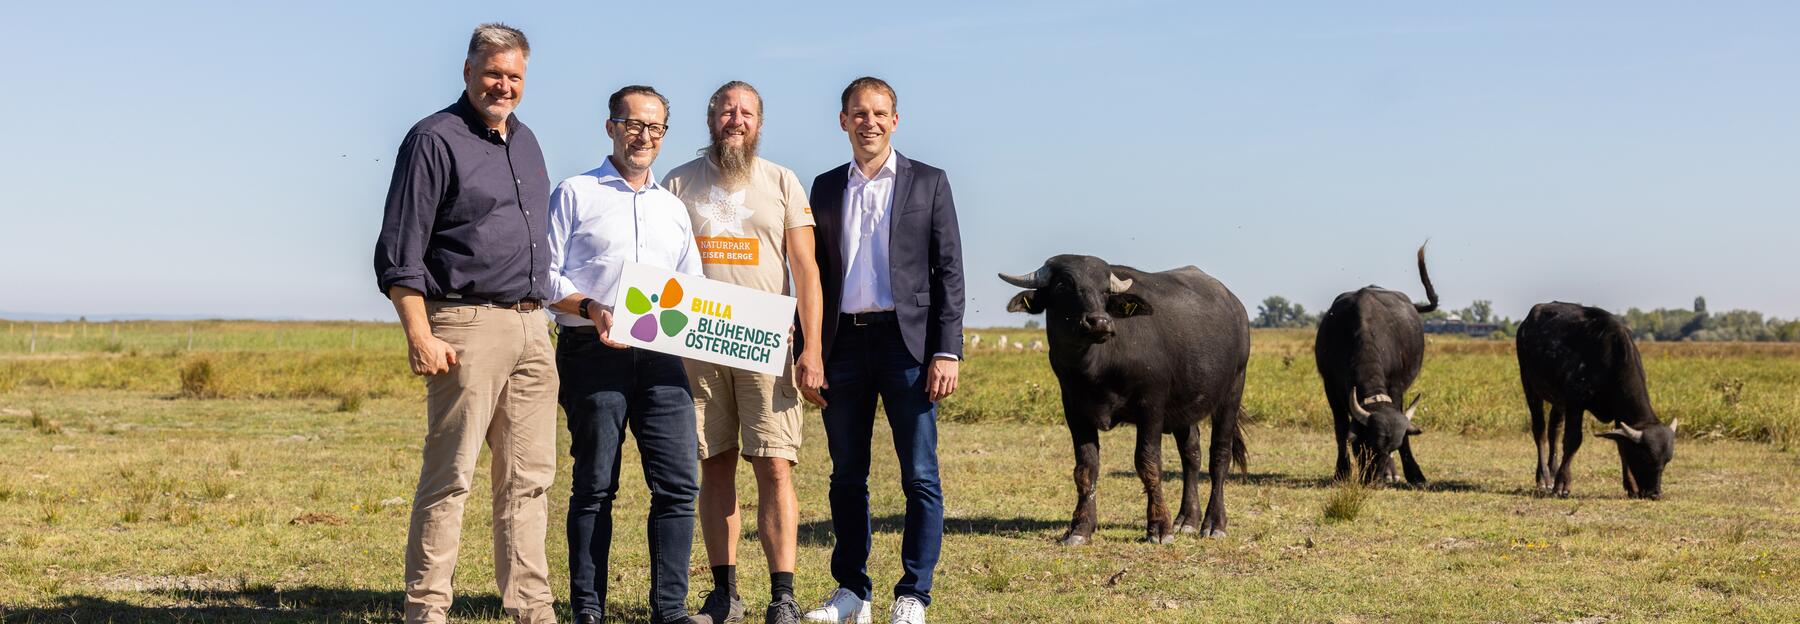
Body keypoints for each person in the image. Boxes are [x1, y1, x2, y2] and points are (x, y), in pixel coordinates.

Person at [372, 23, 557, 624]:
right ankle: (427, 609)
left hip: (533, 326)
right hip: (465, 324)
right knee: (451, 476)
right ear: (468, 71)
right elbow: (401, 248)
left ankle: (531, 607)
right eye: (493, 73)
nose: (503, 85)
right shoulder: (433, 139)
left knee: (529, 479)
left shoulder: (527, 141)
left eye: (514, 76)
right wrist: (420, 333)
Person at [799, 77, 964, 624]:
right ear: (842, 121)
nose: (868, 122)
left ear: (895, 120)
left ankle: (914, 594)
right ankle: (852, 592)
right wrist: (809, 349)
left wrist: (947, 351)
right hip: (842, 344)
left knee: (919, 474)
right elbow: (813, 275)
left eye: (878, 113)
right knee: (846, 474)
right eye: (858, 113)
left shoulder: (929, 182)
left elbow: (949, 271)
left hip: (907, 345)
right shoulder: (824, 187)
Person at [543, 85, 708, 624]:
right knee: (595, 485)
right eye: (634, 124)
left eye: (655, 127)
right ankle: (588, 610)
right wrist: (590, 307)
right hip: (592, 352)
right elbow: (544, 278)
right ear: (611, 127)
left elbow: (693, 288)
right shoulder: (575, 192)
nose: (644, 136)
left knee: (679, 486)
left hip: (661, 359)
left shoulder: (672, 209)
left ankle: (670, 610)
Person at [662, 81, 825, 624]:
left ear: (759, 123)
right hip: (698, 345)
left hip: (767, 344)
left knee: (775, 465)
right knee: (714, 464)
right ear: (711, 119)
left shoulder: (782, 180)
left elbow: (806, 270)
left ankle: (784, 596)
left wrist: (812, 347)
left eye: (747, 112)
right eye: (727, 111)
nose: (736, 119)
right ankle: (724, 594)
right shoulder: (678, 181)